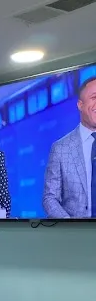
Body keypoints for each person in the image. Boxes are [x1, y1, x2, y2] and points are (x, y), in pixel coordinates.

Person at [43, 76, 96, 219]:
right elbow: (50, 198)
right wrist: (71, 225)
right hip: (75, 231)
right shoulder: (61, 148)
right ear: (80, 105)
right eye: (94, 97)